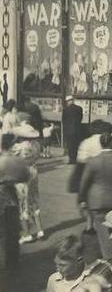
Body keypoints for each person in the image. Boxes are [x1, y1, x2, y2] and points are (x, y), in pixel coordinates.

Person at [79, 133, 112, 259]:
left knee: (102, 232)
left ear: (101, 144)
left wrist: (82, 199)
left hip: (96, 201)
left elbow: (84, 182)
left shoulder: (93, 160)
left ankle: (107, 257)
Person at [12, 113, 45, 244]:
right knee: (34, 200)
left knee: (22, 203)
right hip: (34, 171)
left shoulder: (18, 147)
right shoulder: (36, 145)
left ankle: (26, 233)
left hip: (22, 173)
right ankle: (40, 229)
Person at [0, 133, 29, 271]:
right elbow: (26, 176)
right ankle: (12, 261)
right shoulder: (19, 161)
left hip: (2, 194)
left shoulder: (1, 160)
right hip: (12, 195)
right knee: (12, 231)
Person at [62, 96, 84, 164]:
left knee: (69, 145)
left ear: (68, 101)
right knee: (76, 144)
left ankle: (71, 159)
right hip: (77, 129)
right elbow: (80, 118)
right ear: (73, 100)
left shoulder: (65, 109)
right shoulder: (79, 108)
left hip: (68, 130)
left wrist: (66, 127)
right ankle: (75, 159)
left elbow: (63, 120)